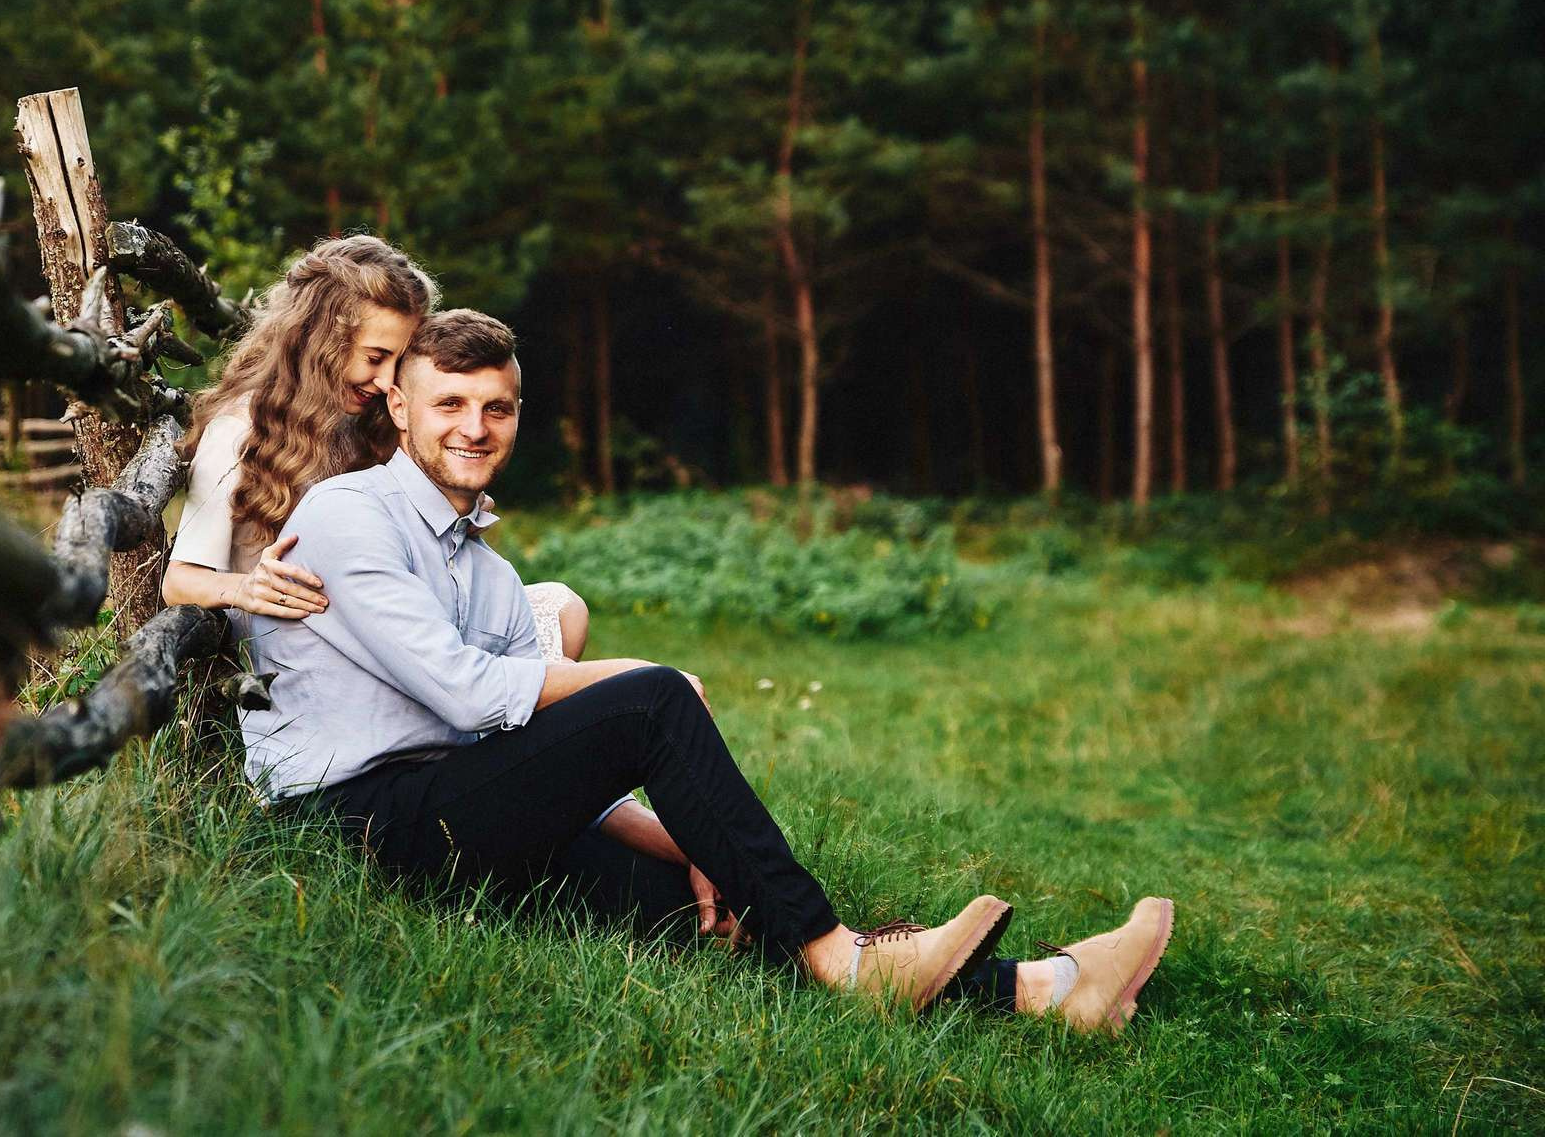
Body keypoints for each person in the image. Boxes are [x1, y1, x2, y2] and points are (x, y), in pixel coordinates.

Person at [246, 309, 1176, 1031]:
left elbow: (538, 749)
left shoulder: (484, 571)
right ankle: (844, 960)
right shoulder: (349, 515)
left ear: (518, 413)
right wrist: (648, 673)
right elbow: (463, 690)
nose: (475, 427)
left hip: (453, 809)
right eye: (449, 403)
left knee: (706, 907)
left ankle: (1053, 990)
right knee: (651, 697)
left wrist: (698, 846)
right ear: (401, 406)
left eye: (496, 406)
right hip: (347, 825)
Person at [160, 235, 588, 660]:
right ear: (320, 344)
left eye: (397, 362)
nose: (386, 381)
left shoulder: (370, 419)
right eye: (374, 357)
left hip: (393, 610)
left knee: (563, 610)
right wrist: (245, 587)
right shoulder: (240, 430)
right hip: (311, 636)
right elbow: (179, 581)